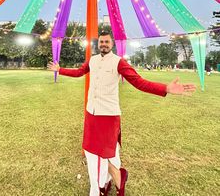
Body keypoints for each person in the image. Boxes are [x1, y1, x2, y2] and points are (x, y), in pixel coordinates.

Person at [48, 31, 196, 196]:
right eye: (101, 42)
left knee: (106, 152)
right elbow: (78, 72)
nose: (104, 44)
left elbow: (139, 83)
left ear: (112, 44)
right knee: (93, 153)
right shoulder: (93, 60)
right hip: (91, 113)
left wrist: (165, 88)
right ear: (98, 44)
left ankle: (100, 188)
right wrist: (60, 70)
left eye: (107, 42)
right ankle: (107, 182)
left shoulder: (119, 62)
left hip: (108, 116)